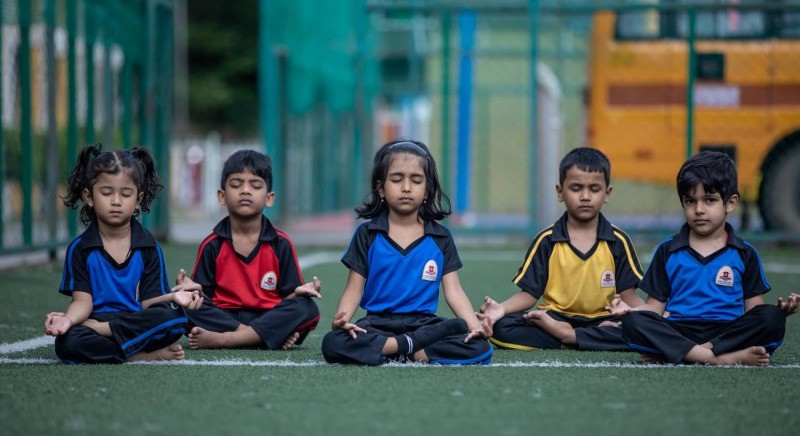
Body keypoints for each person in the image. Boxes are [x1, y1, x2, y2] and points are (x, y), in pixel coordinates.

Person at [321, 139, 493, 365]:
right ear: (381, 188)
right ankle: (408, 348)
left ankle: (394, 351)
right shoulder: (367, 234)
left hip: (424, 325)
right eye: (396, 179)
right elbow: (354, 289)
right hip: (377, 325)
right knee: (333, 343)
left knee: (480, 348)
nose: (406, 187)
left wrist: (474, 326)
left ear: (427, 190)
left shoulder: (441, 237)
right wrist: (341, 320)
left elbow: (454, 291)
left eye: (416, 180)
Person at [621, 151, 799, 366]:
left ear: (730, 203)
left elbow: (753, 310)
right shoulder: (667, 250)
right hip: (681, 330)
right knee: (634, 321)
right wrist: (630, 311)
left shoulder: (745, 253)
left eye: (709, 200)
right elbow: (655, 309)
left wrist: (779, 314)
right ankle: (719, 358)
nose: (699, 210)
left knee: (771, 317)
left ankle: (683, 353)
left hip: (727, 332)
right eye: (690, 201)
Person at [44, 144, 202, 364]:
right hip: (99, 322)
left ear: (138, 199)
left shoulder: (149, 247)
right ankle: (140, 355)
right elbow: (82, 302)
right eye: (107, 193)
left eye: (126, 194)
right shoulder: (80, 248)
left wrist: (173, 297)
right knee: (67, 343)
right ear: (89, 197)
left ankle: (113, 340)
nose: (116, 201)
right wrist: (68, 321)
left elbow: (149, 303)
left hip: (133, 322)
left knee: (174, 317)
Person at [479, 147, 645, 351]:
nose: (585, 196)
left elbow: (628, 297)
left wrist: (653, 314)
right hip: (554, 319)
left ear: (607, 193)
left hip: (604, 320)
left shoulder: (618, 241)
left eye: (594, 189)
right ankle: (575, 337)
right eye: (576, 188)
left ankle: (568, 338)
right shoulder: (547, 240)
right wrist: (501, 309)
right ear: (560, 192)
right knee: (500, 327)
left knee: (641, 327)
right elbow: (529, 295)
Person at [172, 149, 321, 350]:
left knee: (306, 308)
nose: (245, 190)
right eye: (236, 184)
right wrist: (190, 291)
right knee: (182, 307)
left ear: (269, 198)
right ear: (222, 196)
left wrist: (300, 293)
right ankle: (261, 337)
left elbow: (288, 300)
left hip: (266, 315)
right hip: (225, 316)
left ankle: (226, 340)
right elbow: (202, 298)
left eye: (255, 185)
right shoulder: (212, 245)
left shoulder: (281, 244)